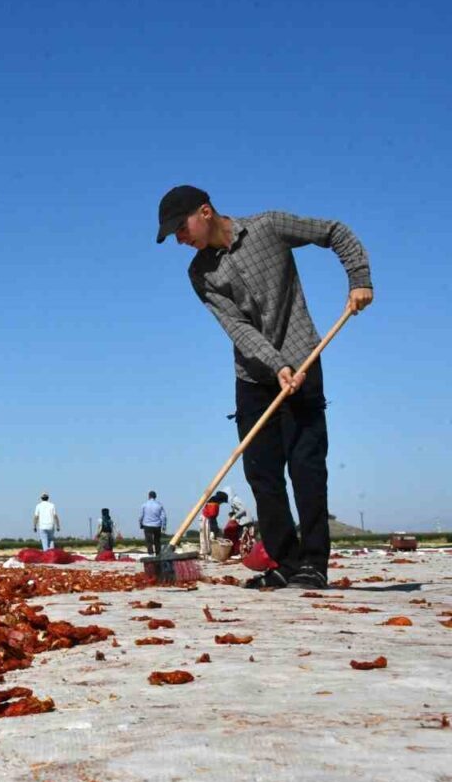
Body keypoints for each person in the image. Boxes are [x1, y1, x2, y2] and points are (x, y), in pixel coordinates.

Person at [157, 185, 372, 590]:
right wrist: (276, 366)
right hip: (254, 377)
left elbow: (335, 232)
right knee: (261, 473)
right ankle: (284, 562)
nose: (179, 239)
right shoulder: (199, 273)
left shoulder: (269, 226)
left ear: (205, 211)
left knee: (307, 466)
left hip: (304, 359)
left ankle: (313, 564)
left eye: (180, 228)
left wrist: (359, 278)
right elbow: (236, 327)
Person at [139, 491, 166, 555]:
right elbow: (163, 517)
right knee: (157, 541)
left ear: (149, 496)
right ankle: (158, 555)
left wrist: (141, 524)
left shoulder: (144, 505)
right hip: (157, 525)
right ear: (155, 497)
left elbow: (141, 516)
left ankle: (150, 555)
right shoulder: (159, 505)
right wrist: (164, 526)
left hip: (147, 525)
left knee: (149, 542)